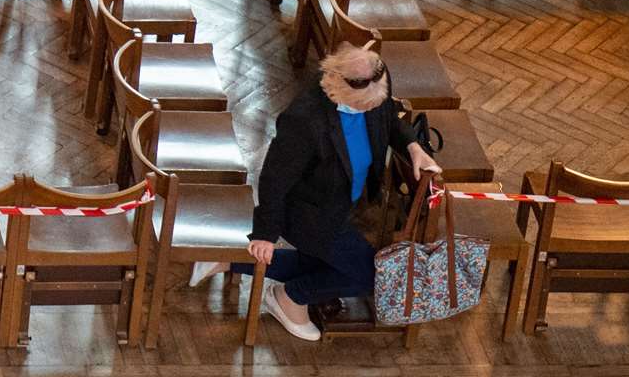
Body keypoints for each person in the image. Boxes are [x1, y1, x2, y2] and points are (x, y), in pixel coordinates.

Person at [189, 43, 442, 341]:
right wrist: (265, 234)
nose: (372, 109)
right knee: (372, 276)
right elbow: (274, 178)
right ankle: (290, 297)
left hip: (344, 203)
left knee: (320, 263)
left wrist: (413, 147)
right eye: (364, 106)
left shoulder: (376, 86)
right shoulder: (304, 119)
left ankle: (228, 259)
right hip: (309, 212)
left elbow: (389, 118)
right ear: (336, 87)